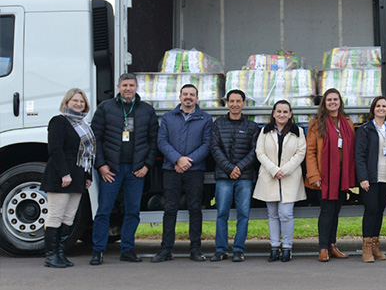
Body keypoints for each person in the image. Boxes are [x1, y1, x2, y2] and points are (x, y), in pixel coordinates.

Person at [89, 73, 158, 265]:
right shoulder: (105, 108)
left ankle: (127, 250)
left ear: (137, 87)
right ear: (118, 87)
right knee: (104, 210)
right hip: (111, 170)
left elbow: (154, 141)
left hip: (136, 170)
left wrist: (146, 166)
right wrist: (101, 166)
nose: (128, 88)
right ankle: (98, 251)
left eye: (131, 85)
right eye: (125, 85)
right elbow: (95, 139)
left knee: (132, 211)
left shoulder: (147, 110)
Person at [152, 84, 213, 263]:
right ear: (179, 97)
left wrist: (187, 162)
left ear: (197, 98)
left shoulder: (205, 118)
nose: (188, 97)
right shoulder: (168, 117)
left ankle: (195, 249)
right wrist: (177, 159)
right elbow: (162, 141)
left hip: (195, 170)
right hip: (171, 169)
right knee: (170, 209)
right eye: (185, 94)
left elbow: (207, 144)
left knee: (195, 209)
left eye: (192, 95)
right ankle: (166, 250)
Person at [40, 88, 95, 268]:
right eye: (75, 101)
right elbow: (55, 149)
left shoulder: (83, 125)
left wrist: (87, 176)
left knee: (69, 217)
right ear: (67, 102)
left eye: (81, 101)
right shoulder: (59, 121)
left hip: (78, 176)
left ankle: (60, 253)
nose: (78, 104)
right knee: (56, 216)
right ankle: (51, 256)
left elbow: (87, 154)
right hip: (60, 176)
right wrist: (64, 174)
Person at [305, 88, 356, 262]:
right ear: (324, 103)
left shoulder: (347, 123)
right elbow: (310, 152)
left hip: (342, 175)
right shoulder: (316, 124)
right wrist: (314, 176)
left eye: (335, 99)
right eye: (329, 100)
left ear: (340, 102)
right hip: (324, 176)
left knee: (336, 211)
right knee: (327, 211)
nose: (332, 102)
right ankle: (323, 248)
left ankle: (332, 246)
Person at [210, 89, 260, 262]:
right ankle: (221, 249)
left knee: (243, 215)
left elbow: (254, 151)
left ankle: (238, 250)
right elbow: (215, 148)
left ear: (244, 103)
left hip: (244, 177)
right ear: (227, 103)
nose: (235, 104)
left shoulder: (252, 127)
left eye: (238, 101)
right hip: (224, 177)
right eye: (232, 101)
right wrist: (230, 168)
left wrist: (239, 168)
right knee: (222, 214)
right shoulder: (218, 124)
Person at [253, 100, 306, 262]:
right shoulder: (264, 131)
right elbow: (260, 152)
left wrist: (285, 169)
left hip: (290, 176)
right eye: (279, 111)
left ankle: (287, 247)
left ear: (290, 114)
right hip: (269, 176)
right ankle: (274, 247)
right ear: (274, 113)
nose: (282, 115)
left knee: (286, 213)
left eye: (285, 112)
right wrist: (274, 170)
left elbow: (300, 153)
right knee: (273, 214)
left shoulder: (298, 132)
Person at [355, 96, 386, 263]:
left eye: (384, 106)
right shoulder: (365, 130)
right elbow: (359, 156)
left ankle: (375, 246)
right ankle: (366, 248)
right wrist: (363, 178)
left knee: (380, 211)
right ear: (373, 109)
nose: (381, 108)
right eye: (378, 106)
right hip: (370, 178)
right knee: (371, 210)